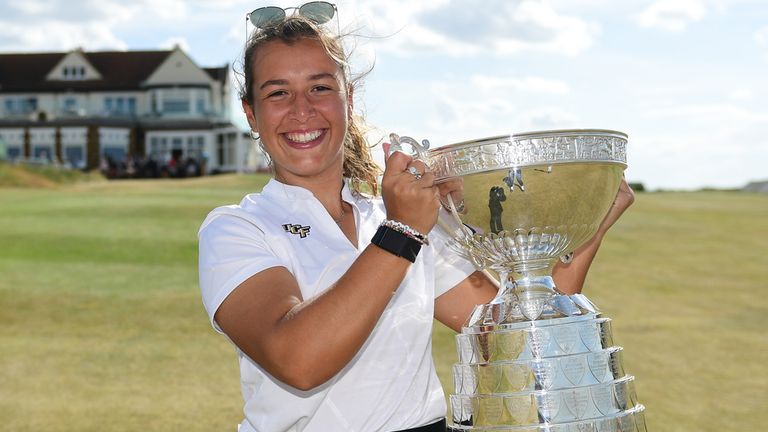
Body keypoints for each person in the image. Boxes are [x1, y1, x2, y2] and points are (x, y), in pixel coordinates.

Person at [198, 10, 634, 432]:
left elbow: (514, 332)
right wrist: (403, 231)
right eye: (277, 93)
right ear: (251, 114)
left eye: (320, 88)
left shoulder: (396, 219)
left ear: (348, 100)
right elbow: (298, 360)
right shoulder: (237, 228)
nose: (302, 110)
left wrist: (590, 219)